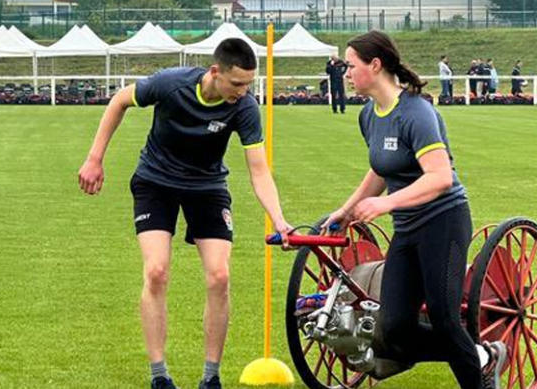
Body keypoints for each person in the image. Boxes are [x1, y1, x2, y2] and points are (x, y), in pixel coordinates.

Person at [77, 38, 293, 389]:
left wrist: (279, 220)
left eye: (249, 85)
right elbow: (120, 101)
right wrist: (94, 158)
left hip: (207, 187)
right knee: (157, 271)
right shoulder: (171, 84)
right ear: (215, 72)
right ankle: (159, 374)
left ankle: (211, 377)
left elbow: (259, 170)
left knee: (220, 276)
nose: (243, 91)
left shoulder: (244, 107)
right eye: (237, 83)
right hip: (155, 182)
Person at [322, 30, 507, 389]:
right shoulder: (369, 115)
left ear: (374, 66)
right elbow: (382, 167)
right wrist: (347, 210)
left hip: (444, 222)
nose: (345, 72)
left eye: (351, 65)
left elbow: (440, 178)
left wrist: (386, 202)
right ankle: (483, 354)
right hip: (407, 230)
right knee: (395, 331)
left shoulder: (417, 112)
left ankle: (478, 377)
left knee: (444, 318)